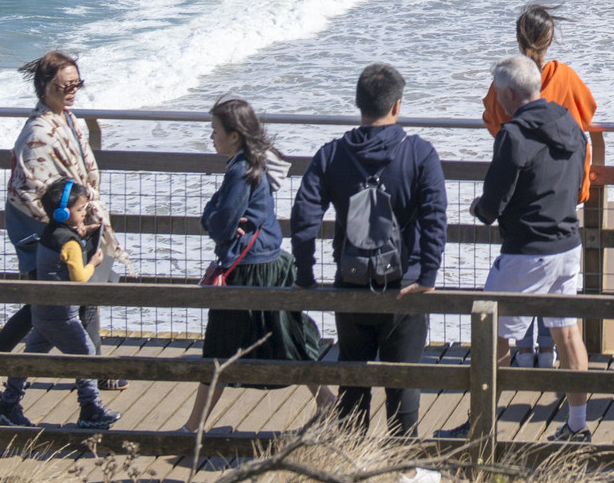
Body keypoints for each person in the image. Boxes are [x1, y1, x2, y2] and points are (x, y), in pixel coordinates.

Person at [291, 62, 446, 440]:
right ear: (397, 105)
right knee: (403, 380)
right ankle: (403, 469)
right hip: (404, 286)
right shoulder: (420, 153)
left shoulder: (331, 154)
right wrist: (427, 276)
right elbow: (434, 217)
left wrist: (306, 275)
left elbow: (303, 216)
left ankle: (355, 464)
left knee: (353, 376)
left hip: (351, 282)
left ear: (358, 103)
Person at [182, 97, 332, 436]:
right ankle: (326, 400)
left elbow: (218, 224)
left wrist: (215, 218)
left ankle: (193, 428)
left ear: (234, 135)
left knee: (219, 348)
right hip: (271, 262)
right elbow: (219, 217)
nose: (212, 137)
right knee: (288, 337)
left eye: (215, 131)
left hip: (249, 269)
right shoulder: (255, 163)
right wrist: (218, 217)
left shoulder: (239, 171)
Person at [0, 50, 121, 427]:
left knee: (51, 320)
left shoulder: (70, 120)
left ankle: (7, 392)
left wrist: (84, 217)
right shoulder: (37, 133)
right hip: (46, 235)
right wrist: (67, 229)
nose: (73, 91)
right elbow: (28, 191)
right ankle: (89, 396)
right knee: (50, 313)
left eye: (78, 84)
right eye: (66, 85)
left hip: (74, 225)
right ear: (44, 86)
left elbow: (81, 172)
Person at [465, 53, 592, 443]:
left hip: (526, 252)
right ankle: (577, 425)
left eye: (497, 94)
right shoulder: (569, 123)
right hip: (568, 245)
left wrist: (479, 208)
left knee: (492, 337)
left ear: (507, 93)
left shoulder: (513, 135)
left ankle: (480, 428)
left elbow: (493, 203)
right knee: (568, 336)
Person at [482, 5, 597, 366]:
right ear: (550, 40)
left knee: (519, 273)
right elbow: (588, 114)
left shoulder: (510, 83)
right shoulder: (566, 77)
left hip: (521, 194)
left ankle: (525, 349)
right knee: (558, 285)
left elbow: (493, 121)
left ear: (518, 38)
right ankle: (549, 351)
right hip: (564, 191)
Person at [0, 176, 120, 432]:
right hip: (63, 316)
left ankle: (8, 403)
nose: (85, 213)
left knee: (31, 359)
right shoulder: (70, 242)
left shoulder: (52, 232)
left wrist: (82, 232)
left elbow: (65, 247)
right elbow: (79, 278)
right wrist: (94, 263)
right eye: (81, 209)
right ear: (64, 211)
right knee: (86, 355)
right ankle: (90, 408)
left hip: (43, 311)